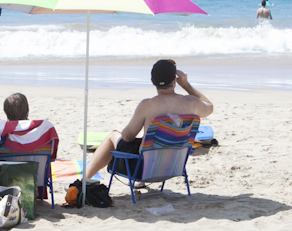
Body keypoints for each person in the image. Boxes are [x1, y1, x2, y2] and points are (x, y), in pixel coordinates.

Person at [81, 59, 214, 183]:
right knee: (146, 137)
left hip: (143, 171)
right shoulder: (192, 103)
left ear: (152, 81)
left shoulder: (147, 105)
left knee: (114, 135)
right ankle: (137, 183)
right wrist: (186, 85)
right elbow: (209, 106)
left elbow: (127, 137)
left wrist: (121, 131)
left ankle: (84, 179)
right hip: (173, 167)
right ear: (175, 81)